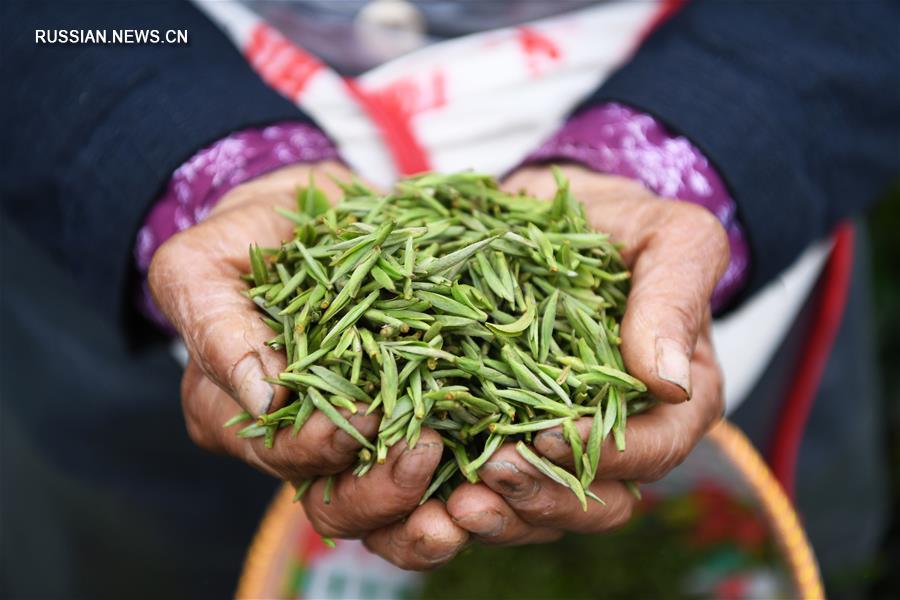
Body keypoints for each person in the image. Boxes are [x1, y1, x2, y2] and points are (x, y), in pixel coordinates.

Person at [2, 1, 897, 597]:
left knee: (740, 523)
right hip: (130, 150)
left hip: (716, 98)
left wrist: (680, 158)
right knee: (140, 545)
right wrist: (175, 154)